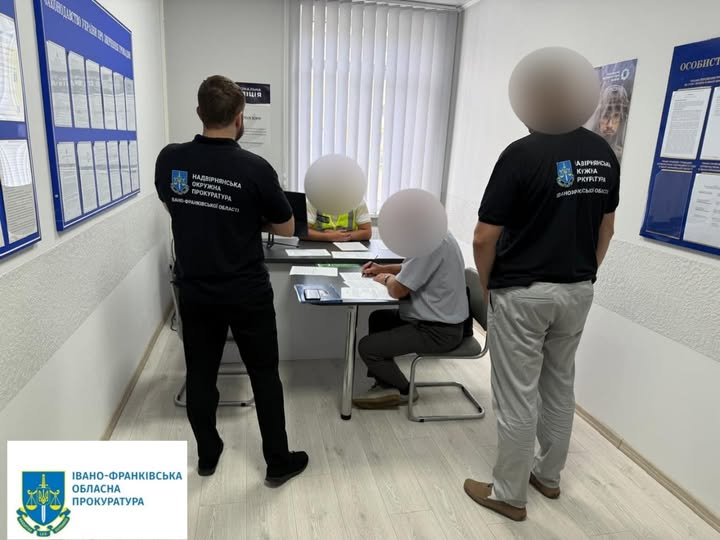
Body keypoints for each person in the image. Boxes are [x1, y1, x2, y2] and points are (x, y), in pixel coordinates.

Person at [155, 75, 308, 484]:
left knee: (200, 374)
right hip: (246, 292)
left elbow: (173, 205)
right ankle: (277, 461)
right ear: (240, 118)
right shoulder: (255, 168)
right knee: (264, 375)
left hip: (195, 290)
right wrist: (247, 218)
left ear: (199, 112)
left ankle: (208, 455)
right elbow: (287, 227)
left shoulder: (170, 159)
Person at [464, 126, 619, 521]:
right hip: (578, 291)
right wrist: (583, 275)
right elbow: (607, 229)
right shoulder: (602, 152)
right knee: (559, 384)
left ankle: (508, 495)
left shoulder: (522, 153)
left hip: (523, 292)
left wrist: (487, 284)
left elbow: (483, 238)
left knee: (517, 394)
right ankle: (548, 477)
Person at [352, 232, 469, 409]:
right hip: (436, 320)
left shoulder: (430, 242)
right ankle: (386, 383)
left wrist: (386, 278)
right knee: (379, 318)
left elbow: (398, 290)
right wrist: (383, 268)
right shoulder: (437, 234)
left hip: (438, 331)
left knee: (367, 347)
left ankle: (405, 390)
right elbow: (412, 268)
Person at [303, 199, 372, 242]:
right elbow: (302, 232)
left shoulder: (358, 200)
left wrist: (341, 236)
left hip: (349, 251)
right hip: (318, 249)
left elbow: (367, 232)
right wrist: (328, 237)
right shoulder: (312, 200)